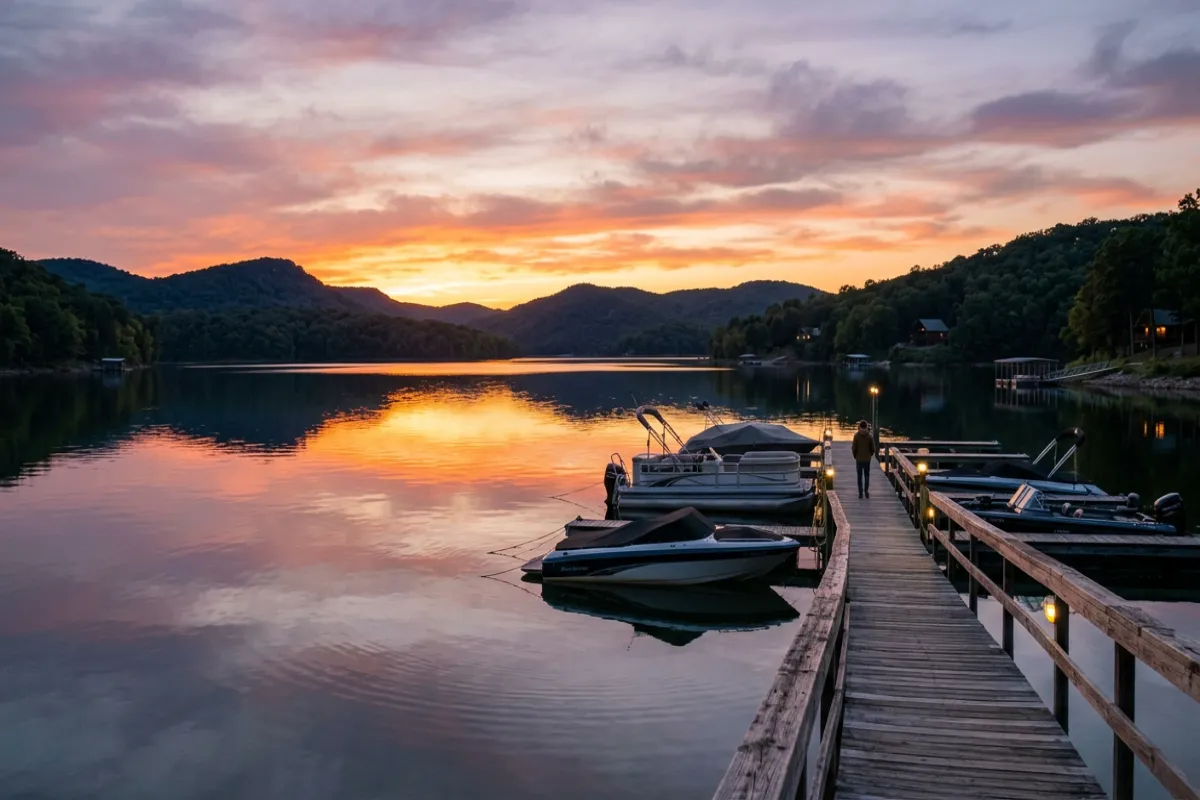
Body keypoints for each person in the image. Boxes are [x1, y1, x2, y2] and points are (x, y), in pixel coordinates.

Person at [851, 420, 875, 499]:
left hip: (859, 459)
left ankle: (860, 493)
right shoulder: (870, 436)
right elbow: (873, 448)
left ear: (859, 427)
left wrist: (855, 455)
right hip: (867, 459)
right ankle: (866, 492)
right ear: (866, 427)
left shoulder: (856, 436)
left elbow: (854, 448)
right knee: (867, 476)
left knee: (859, 476)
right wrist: (870, 455)